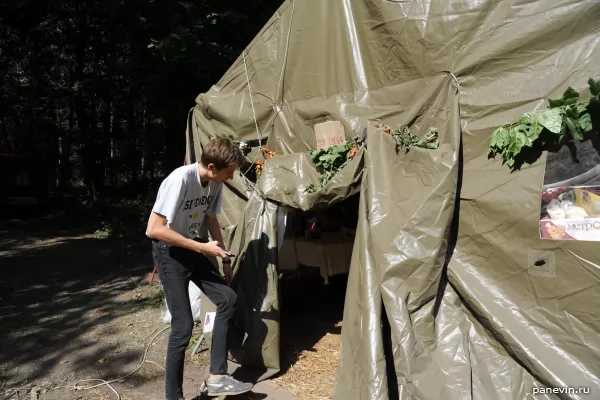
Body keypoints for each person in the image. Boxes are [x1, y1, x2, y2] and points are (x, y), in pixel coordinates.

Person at [146, 138, 253, 399]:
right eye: (229, 171)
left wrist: (224, 258)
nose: (232, 176)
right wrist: (203, 248)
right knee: (182, 326)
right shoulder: (180, 180)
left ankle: (217, 376)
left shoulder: (214, 183)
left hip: (194, 247)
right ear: (213, 166)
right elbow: (154, 230)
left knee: (227, 298)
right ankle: (174, 396)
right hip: (169, 253)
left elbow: (210, 217)